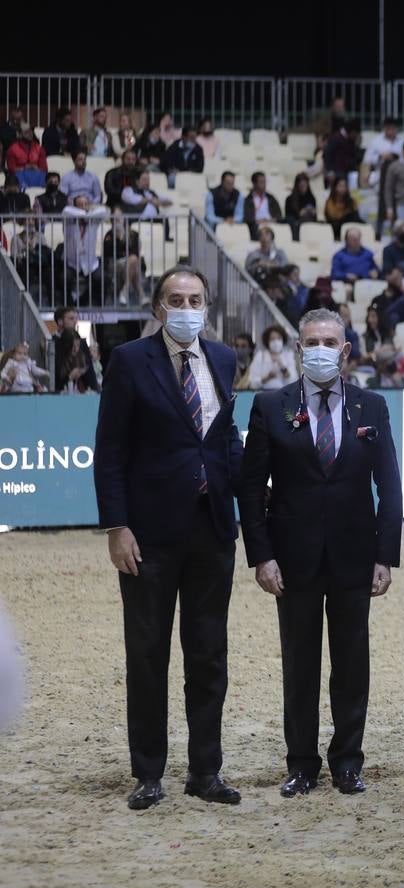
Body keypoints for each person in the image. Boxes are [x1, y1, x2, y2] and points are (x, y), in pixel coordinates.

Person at [93, 265, 245, 811]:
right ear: (159, 308)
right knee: (148, 654)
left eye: (196, 299)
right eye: (176, 299)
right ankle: (149, 773)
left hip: (211, 531)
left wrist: (252, 505)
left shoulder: (224, 359)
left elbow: (223, 438)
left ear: (207, 306)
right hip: (149, 536)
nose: (186, 307)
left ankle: (206, 771)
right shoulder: (130, 361)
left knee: (209, 656)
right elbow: (109, 449)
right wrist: (117, 526)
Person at [239, 308, 401, 798]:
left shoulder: (371, 408)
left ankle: (348, 762)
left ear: (346, 350)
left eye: (330, 341)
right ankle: (302, 765)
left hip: (354, 558)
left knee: (352, 663)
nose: (321, 349)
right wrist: (261, 556)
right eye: (311, 341)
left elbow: (389, 487)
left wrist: (384, 556)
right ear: (298, 350)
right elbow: (250, 489)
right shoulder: (270, 407)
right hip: (293, 561)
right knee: (300, 664)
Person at [52, 306, 99, 394]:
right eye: (71, 318)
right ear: (60, 321)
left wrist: (95, 390)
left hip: (84, 392)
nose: (75, 322)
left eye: (75, 318)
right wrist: (69, 377)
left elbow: (90, 372)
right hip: (61, 392)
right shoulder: (52, 343)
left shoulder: (82, 342)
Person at [247, 324, 300, 390]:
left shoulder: (288, 355)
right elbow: (252, 383)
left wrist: (282, 366)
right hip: (264, 394)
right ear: (267, 341)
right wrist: (267, 377)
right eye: (272, 339)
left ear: (283, 340)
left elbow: (293, 381)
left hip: (283, 393)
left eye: (279, 338)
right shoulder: (260, 356)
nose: (276, 342)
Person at [243, 172, 283, 240]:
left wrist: (272, 220)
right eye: (261, 182)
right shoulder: (248, 200)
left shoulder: (271, 198)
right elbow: (247, 217)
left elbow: (279, 214)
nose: (264, 184)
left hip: (272, 224)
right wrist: (258, 221)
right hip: (257, 226)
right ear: (254, 183)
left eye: (264, 182)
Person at [284, 173, 318, 241]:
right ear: (297, 186)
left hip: (309, 220)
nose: (303, 187)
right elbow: (288, 215)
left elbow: (314, 215)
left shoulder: (311, 198)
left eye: (305, 185)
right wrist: (300, 213)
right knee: (293, 222)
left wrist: (312, 212)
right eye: (301, 185)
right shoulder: (290, 199)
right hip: (295, 222)